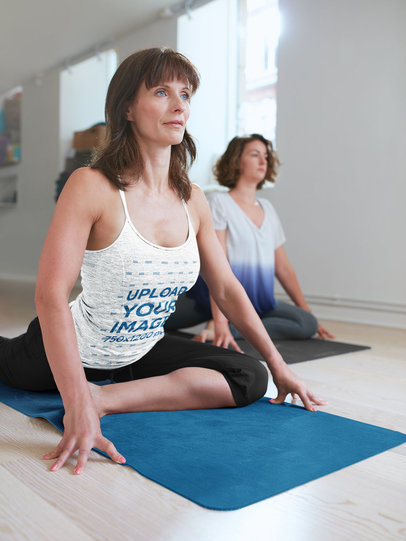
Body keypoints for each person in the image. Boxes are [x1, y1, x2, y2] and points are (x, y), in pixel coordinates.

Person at [0, 49, 326, 475]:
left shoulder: (192, 198)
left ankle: (104, 399)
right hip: (71, 346)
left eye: (185, 94)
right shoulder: (91, 186)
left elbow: (226, 288)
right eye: (161, 92)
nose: (179, 105)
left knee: (249, 377)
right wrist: (72, 397)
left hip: (142, 347)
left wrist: (279, 365)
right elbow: (50, 295)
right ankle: (84, 391)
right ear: (128, 108)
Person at [165, 134, 334, 351]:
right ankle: (222, 324)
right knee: (155, 320)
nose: (263, 161)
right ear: (236, 161)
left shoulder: (268, 209)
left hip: (259, 302)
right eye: (255, 155)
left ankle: (234, 329)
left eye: (265, 156)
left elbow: (283, 268)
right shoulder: (220, 203)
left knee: (306, 323)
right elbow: (217, 266)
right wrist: (221, 319)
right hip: (212, 300)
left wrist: (307, 312)